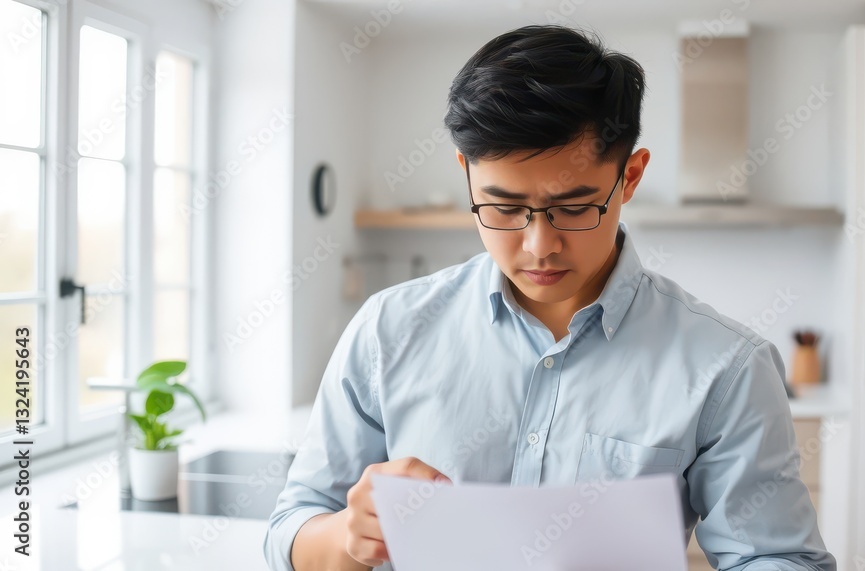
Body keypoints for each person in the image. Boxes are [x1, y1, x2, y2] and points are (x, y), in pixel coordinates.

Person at [264, 24, 836, 571]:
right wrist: (348, 533)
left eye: (574, 208)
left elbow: (780, 556)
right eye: (505, 207)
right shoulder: (386, 331)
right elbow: (291, 529)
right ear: (465, 174)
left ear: (630, 177)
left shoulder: (725, 369)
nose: (539, 245)